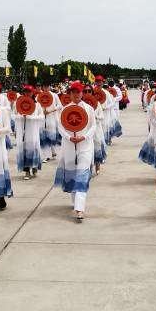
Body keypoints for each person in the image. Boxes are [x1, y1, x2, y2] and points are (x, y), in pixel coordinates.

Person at [54, 81, 96, 221]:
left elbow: (93, 126)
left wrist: (84, 137)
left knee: (82, 175)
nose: (76, 94)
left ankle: (80, 208)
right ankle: (75, 202)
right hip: (69, 147)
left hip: (85, 146)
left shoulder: (89, 109)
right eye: (73, 92)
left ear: (82, 93)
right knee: (72, 175)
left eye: (79, 92)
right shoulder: (64, 110)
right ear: (70, 94)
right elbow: (60, 127)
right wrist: (69, 137)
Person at [14, 85, 45, 179]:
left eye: (29, 91)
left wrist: (31, 117)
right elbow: (14, 115)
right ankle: (27, 171)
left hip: (33, 131)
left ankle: (34, 167)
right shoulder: (18, 103)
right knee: (24, 150)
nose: (27, 93)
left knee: (33, 148)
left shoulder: (37, 104)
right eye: (26, 91)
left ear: (32, 93)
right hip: (22, 132)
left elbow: (42, 116)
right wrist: (21, 116)